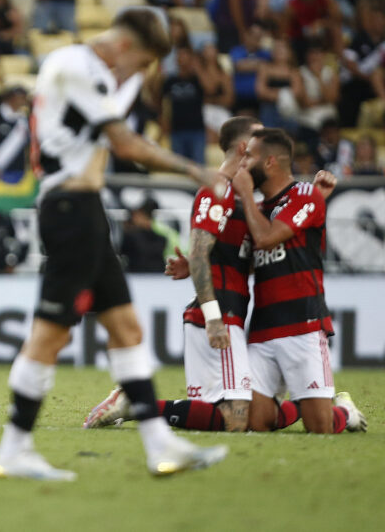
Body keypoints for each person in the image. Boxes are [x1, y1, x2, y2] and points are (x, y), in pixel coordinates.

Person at [0, 8, 229, 481]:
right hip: (69, 211)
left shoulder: (93, 73)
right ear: (123, 47)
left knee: (126, 328)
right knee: (51, 333)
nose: (138, 74)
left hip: (86, 212)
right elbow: (125, 144)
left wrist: (133, 81)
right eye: (141, 63)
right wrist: (196, 170)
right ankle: (14, 449)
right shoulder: (75, 66)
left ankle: (160, 444)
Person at [88, 123, 351, 434]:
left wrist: (313, 198)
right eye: (252, 146)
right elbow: (202, 252)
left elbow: (249, 254)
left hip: (240, 314)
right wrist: (213, 314)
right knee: (235, 418)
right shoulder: (219, 189)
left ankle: (332, 408)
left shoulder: (250, 203)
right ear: (243, 150)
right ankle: (140, 403)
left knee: (245, 416)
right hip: (220, 313)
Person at [232, 129, 366, 434]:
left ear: (269, 163)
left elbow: (265, 239)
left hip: (302, 324)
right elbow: (248, 260)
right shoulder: (261, 210)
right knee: (254, 422)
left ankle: (342, 411)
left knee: (319, 428)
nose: (243, 163)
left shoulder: (305, 195)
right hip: (263, 328)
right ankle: (305, 403)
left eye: (249, 156)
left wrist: (244, 197)